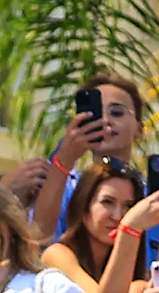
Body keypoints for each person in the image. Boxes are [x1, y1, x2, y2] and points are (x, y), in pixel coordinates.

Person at [28, 70, 149, 247]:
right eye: (96, 114)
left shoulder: (151, 194)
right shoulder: (66, 188)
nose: (105, 120)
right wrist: (64, 161)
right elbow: (38, 239)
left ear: (140, 129)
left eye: (116, 112)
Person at [42, 155, 145, 293]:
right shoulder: (57, 255)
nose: (118, 216)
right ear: (83, 208)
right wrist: (130, 231)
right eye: (107, 202)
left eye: (128, 206)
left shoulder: (131, 270)